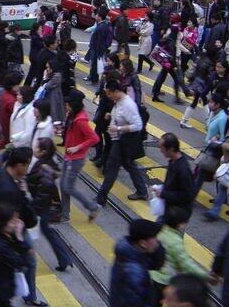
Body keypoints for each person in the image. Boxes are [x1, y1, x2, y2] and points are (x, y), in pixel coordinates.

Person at [0, 148, 45, 307]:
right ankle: (27, 295)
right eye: (27, 165)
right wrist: (24, 194)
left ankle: (29, 295)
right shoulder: (10, 190)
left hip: (5, 225)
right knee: (27, 261)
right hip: (13, 229)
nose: (28, 169)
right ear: (19, 165)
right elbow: (27, 216)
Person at [96, 80, 148, 206]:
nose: (108, 96)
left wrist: (118, 128)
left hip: (123, 141)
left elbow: (138, 125)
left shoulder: (128, 104)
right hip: (119, 140)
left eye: (109, 93)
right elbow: (121, 116)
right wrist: (111, 116)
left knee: (111, 168)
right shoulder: (118, 100)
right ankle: (142, 191)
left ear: (115, 91)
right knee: (129, 165)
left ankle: (101, 198)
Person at [27, 138, 73, 272]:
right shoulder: (44, 164)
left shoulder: (44, 168)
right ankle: (65, 260)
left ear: (43, 152)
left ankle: (65, 260)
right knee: (48, 232)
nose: (34, 149)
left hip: (41, 207)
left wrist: (34, 208)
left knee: (47, 231)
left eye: (37, 147)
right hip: (42, 206)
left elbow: (43, 193)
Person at [150, 207, 209, 301]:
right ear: (179, 224)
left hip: (153, 274)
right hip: (165, 279)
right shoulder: (175, 241)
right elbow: (187, 264)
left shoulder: (160, 229)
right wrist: (206, 276)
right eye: (185, 222)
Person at [60, 89, 101, 221]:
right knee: (63, 185)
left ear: (74, 104)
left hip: (75, 159)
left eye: (68, 104)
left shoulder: (80, 121)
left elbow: (94, 138)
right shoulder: (71, 115)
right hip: (69, 156)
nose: (66, 106)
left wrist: (77, 147)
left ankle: (92, 207)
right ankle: (64, 214)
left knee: (68, 187)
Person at [0, 203, 30, 307]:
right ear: (3, 223)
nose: (16, 224)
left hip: (0, 287)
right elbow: (20, 262)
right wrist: (20, 237)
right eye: (13, 221)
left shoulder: (4, 235)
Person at [110, 219, 165, 307]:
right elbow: (137, 303)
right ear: (143, 243)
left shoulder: (130, 251)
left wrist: (158, 249)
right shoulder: (134, 273)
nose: (157, 240)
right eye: (154, 237)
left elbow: (155, 265)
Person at [157, 133, 196, 220]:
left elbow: (187, 195)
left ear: (171, 149)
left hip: (177, 214)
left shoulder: (183, 170)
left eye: (162, 148)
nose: (160, 151)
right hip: (169, 207)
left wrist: (163, 194)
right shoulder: (173, 161)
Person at [86, 7, 112, 84]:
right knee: (94, 64)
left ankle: (94, 80)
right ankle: (92, 78)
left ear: (100, 17)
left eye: (97, 15)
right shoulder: (101, 25)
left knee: (95, 65)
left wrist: (98, 50)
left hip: (97, 49)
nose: (95, 16)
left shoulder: (101, 27)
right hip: (96, 48)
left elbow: (100, 40)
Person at [0, 72, 23, 150]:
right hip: (10, 130)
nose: (20, 86)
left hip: (5, 128)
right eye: (18, 84)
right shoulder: (12, 101)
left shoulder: (5, 94)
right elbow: (19, 115)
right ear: (12, 86)